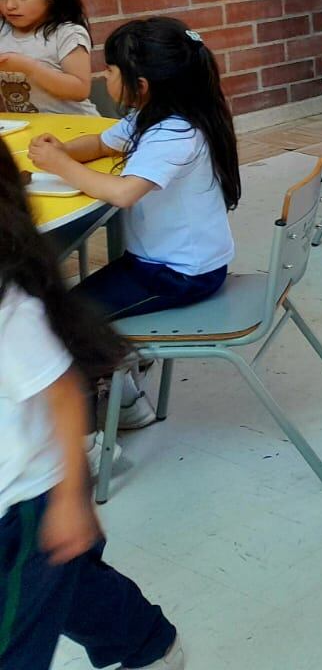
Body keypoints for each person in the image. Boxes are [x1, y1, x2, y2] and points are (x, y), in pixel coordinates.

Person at [0, 141, 185, 670]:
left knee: (16, 633)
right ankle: (148, 643)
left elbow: (62, 395)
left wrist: (69, 500)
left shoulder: (10, 315)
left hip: (24, 500)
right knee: (70, 582)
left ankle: (148, 643)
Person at [28, 17, 240, 430]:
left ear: (140, 85)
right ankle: (121, 374)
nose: (102, 77)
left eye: (109, 70)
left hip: (179, 275)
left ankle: (117, 407)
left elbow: (124, 193)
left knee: (65, 321)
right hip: (157, 263)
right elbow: (103, 142)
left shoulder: (174, 133)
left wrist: (61, 166)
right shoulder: (154, 116)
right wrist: (63, 151)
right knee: (66, 307)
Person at [0, 0, 97, 116]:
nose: (10, 5)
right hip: (29, 129)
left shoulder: (67, 34)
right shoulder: (2, 30)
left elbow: (80, 90)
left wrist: (29, 69)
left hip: (76, 128)